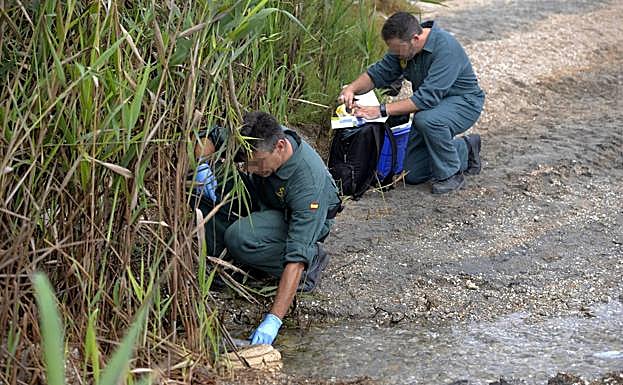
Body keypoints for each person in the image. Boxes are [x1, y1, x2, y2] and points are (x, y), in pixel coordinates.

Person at [194, 111, 342, 345]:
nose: (250, 168)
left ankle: (313, 264)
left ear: (281, 147)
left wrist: (273, 320)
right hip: (266, 196)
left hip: (296, 218)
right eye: (248, 161)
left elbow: (297, 253)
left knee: (241, 236)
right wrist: (200, 165)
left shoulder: (308, 186)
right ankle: (231, 264)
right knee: (206, 187)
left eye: (258, 162)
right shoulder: (258, 139)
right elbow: (211, 137)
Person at [339, 12, 485, 194]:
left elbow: (426, 98)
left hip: (464, 103)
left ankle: (451, 175)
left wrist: (381, 110)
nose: (394, 53)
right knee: (413, 173)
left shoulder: (445, 48)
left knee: (426, 119)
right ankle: (467, 148)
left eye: (397, 49)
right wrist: (351, 89)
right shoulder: (404, 47)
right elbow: (378, 73)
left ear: (415, 38)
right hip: (433, 107)